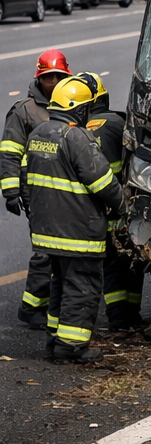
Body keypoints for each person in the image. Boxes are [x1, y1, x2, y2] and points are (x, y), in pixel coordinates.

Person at [23, 75, 124, 363]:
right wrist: (125, 205)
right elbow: (103, 182)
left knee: (60, 283)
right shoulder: (76, 136)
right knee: (82, 287)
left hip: (47, 232)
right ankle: (72, 347)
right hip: (78, 232)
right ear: (79, 109)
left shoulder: (38, 134)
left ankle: (55, 340)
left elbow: (26, 180)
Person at [1, 49, 72, 328]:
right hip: (37, 193)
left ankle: (50, 303)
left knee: (63, 252)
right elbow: (9, 152)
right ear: (39, 78)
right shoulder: (25, 111)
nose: (53, 82)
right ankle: (31, 307)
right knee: (46, 251)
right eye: (48, 77)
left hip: (67, 192)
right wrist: (11, 191)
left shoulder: (72, 104)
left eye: (58, 76)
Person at [78, 73, 143, 330]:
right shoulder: (119, 123)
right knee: (133, 261)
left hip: (95, 213)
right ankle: (129, 316)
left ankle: (117, 316)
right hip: (123, 208)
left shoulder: (77, 132)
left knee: (110, 265)